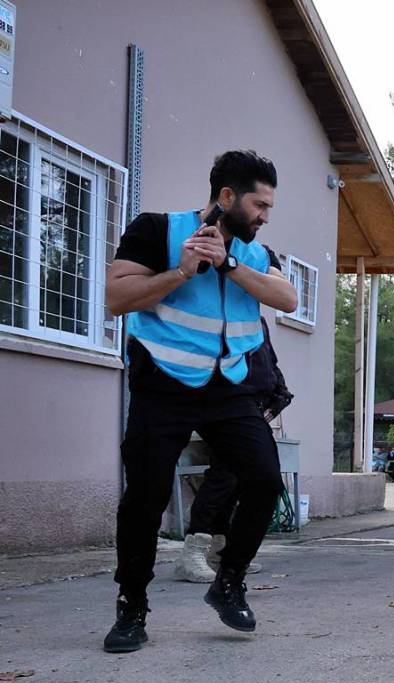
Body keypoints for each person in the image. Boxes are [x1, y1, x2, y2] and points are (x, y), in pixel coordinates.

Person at [102, 150, 297, 652]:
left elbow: (287, 299)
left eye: (269, 207)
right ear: (227, 197)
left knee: (264, 480)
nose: (265, 216)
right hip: (163, 386)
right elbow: (116, 299)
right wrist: (182, 272)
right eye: (259, 205)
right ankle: (131, 607)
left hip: (229, 387)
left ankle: (228, 582)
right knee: (144, 499)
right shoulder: (156, 230)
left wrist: (228, 263)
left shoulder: (257, 254)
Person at [174, 316, 294, 583]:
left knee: (243, 479)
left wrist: (279, 392)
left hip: (253, 407)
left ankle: (220, 550)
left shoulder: (257, 320)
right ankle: (194, 550)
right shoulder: (220, 314)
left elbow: (269, 360)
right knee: (224, 477)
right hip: (227, 406)